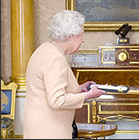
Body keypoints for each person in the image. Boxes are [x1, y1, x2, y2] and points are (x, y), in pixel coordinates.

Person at [23, 10, 106, 139]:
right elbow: (57, 100)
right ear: (70, 37)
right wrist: (88, 95)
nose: (82, 40)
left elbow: (49, 87)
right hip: (50, 130)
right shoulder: (55, 58)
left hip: (38, 126)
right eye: (81, 35)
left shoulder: (44, 49)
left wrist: (79, 88)